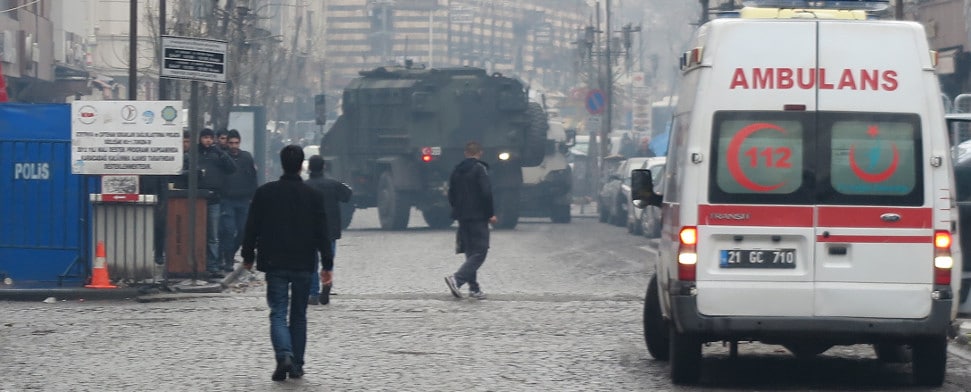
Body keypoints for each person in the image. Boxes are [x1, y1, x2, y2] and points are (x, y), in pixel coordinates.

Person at [241, 145, 332, 382]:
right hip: (304, 262)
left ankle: (284, 355)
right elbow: (323, 232)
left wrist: (248, 255)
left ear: (281, 163)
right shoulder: (313, 196)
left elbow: (252, 227)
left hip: (275, 261)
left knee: (278, 312)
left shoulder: (265, 193)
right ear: (301, 164)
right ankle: (298, 364)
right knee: (299, 314)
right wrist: (327, 265)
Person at [444, 141, 497, 300]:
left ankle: (474, 288)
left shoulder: (456, 170)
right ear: (480, 153)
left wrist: (457, 210)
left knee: (470, 252)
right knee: (480, 251)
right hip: (478, 216)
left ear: (466, 153)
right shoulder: (480, 169)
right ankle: (457, 279)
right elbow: (486, 193)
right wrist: (490, 214)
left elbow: (451, 193)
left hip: (462, 216)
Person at [304, 155, 353, 305]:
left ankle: (312, 294)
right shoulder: (333, 184)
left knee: (311, 262)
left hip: (310, 230)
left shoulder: (304, 186)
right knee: (327, 260)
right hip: (329, 229)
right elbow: (348, 196)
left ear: (309, 168)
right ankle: (326, 283)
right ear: (324, 167)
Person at [197, 128, 236, 277]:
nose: (207, 140)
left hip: (214, 199)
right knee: (198, 232)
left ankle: (213, 264)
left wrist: (222, 154)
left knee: (213, 234)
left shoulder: (218, 154)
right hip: (197, 198)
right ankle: (198, 263)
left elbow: (232, 168)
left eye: (210, 138)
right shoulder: (195, 154)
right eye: (205, 137)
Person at [219, 129, 258, 272]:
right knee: (228, 230)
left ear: (239, 143)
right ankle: (227, 259)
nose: (234, 146)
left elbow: (253, 177)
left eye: (236, 143)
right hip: (227, 199)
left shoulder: (247, 157)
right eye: (231, 143)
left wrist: (254, 197)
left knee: (242, 231)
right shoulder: (223, 157)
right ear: (227, 143)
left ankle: (230, 253)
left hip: (243, 199)